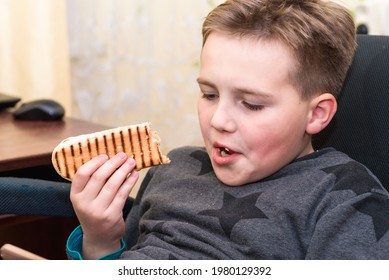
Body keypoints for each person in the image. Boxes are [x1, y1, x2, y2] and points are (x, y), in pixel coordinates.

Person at [66, 0, 389, 259]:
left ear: (316, 114)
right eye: (209, 94)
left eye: (251, 104)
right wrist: (100, 238)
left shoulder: (344, 200)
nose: (218, 120)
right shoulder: (175, 167)